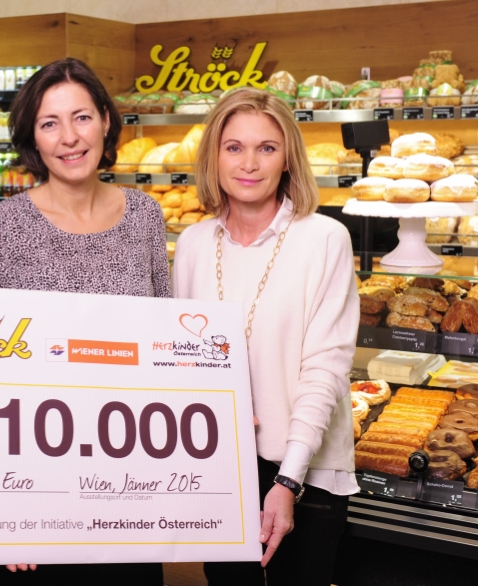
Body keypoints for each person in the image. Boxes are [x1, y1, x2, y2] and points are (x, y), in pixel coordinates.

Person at [0, 57, 169, 585]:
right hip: (35, 494)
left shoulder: (146, 216)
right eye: (49, 123)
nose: (69, 138)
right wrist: (3, 508)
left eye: (81, 117)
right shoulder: (4, 224)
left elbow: (166, 347)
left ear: (106, 120)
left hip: (131, 484)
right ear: (32, 139)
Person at [172, 87, 360, 586]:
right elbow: (180, 360)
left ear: (288, 159)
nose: (249, 163)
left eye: (267, 148)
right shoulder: (191, 244)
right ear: (213, 155)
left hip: (307, 470)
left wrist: (286, 481)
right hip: (218, 469)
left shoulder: (324, 239)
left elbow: (326, 369)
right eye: (234, 147)